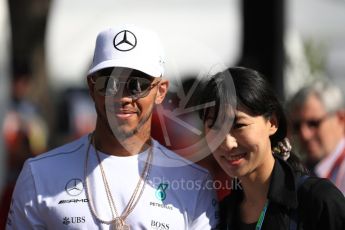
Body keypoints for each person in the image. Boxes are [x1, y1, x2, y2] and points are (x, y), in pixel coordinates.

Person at [6, 25, 218, 229]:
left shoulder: (194, 182)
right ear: (91, 86)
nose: (123, 96)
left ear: (161, 91)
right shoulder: (39, 173)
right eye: (109, 83)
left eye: (138, 84)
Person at [199, 67, 345, 229]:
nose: (227, 143)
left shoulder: (317, 201)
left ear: (272, 123)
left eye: (239, 125)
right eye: (214, 127)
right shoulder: (217, 215)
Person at [288, 80, 345, 194]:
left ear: (340, 120)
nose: (304, 134)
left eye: (313, 123)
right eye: (297, 126)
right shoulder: (298, 172)